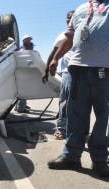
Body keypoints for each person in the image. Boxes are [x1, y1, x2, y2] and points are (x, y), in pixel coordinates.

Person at [47, 0, 109, 177]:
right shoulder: (81, 9)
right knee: (75, 115)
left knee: (104, 119)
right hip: (77, 70)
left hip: (105, 71)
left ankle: (99, 160)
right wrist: (55, 59)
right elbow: (69, 37)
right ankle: (71, 156)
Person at [42, 10, 74, 140]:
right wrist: (45, 71)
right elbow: (52, 53)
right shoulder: (63, 35)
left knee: (81, 105)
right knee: (65, 103)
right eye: (67, 18)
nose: (69, 20)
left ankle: (77, 130)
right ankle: (61, 128)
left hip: (85, 72)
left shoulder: (87, 31)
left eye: (71, 17)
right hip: (68, 72)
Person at [15, 35, 33, 113]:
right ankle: (20, 108)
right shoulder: (23, 50)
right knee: (23, 90)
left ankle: (20, 105)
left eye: (30, 40)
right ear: (24, 41)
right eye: (28, 40)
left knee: (22, 90)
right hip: (23, 72)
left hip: (24, 72)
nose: (30, 42)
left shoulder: (25, 48)